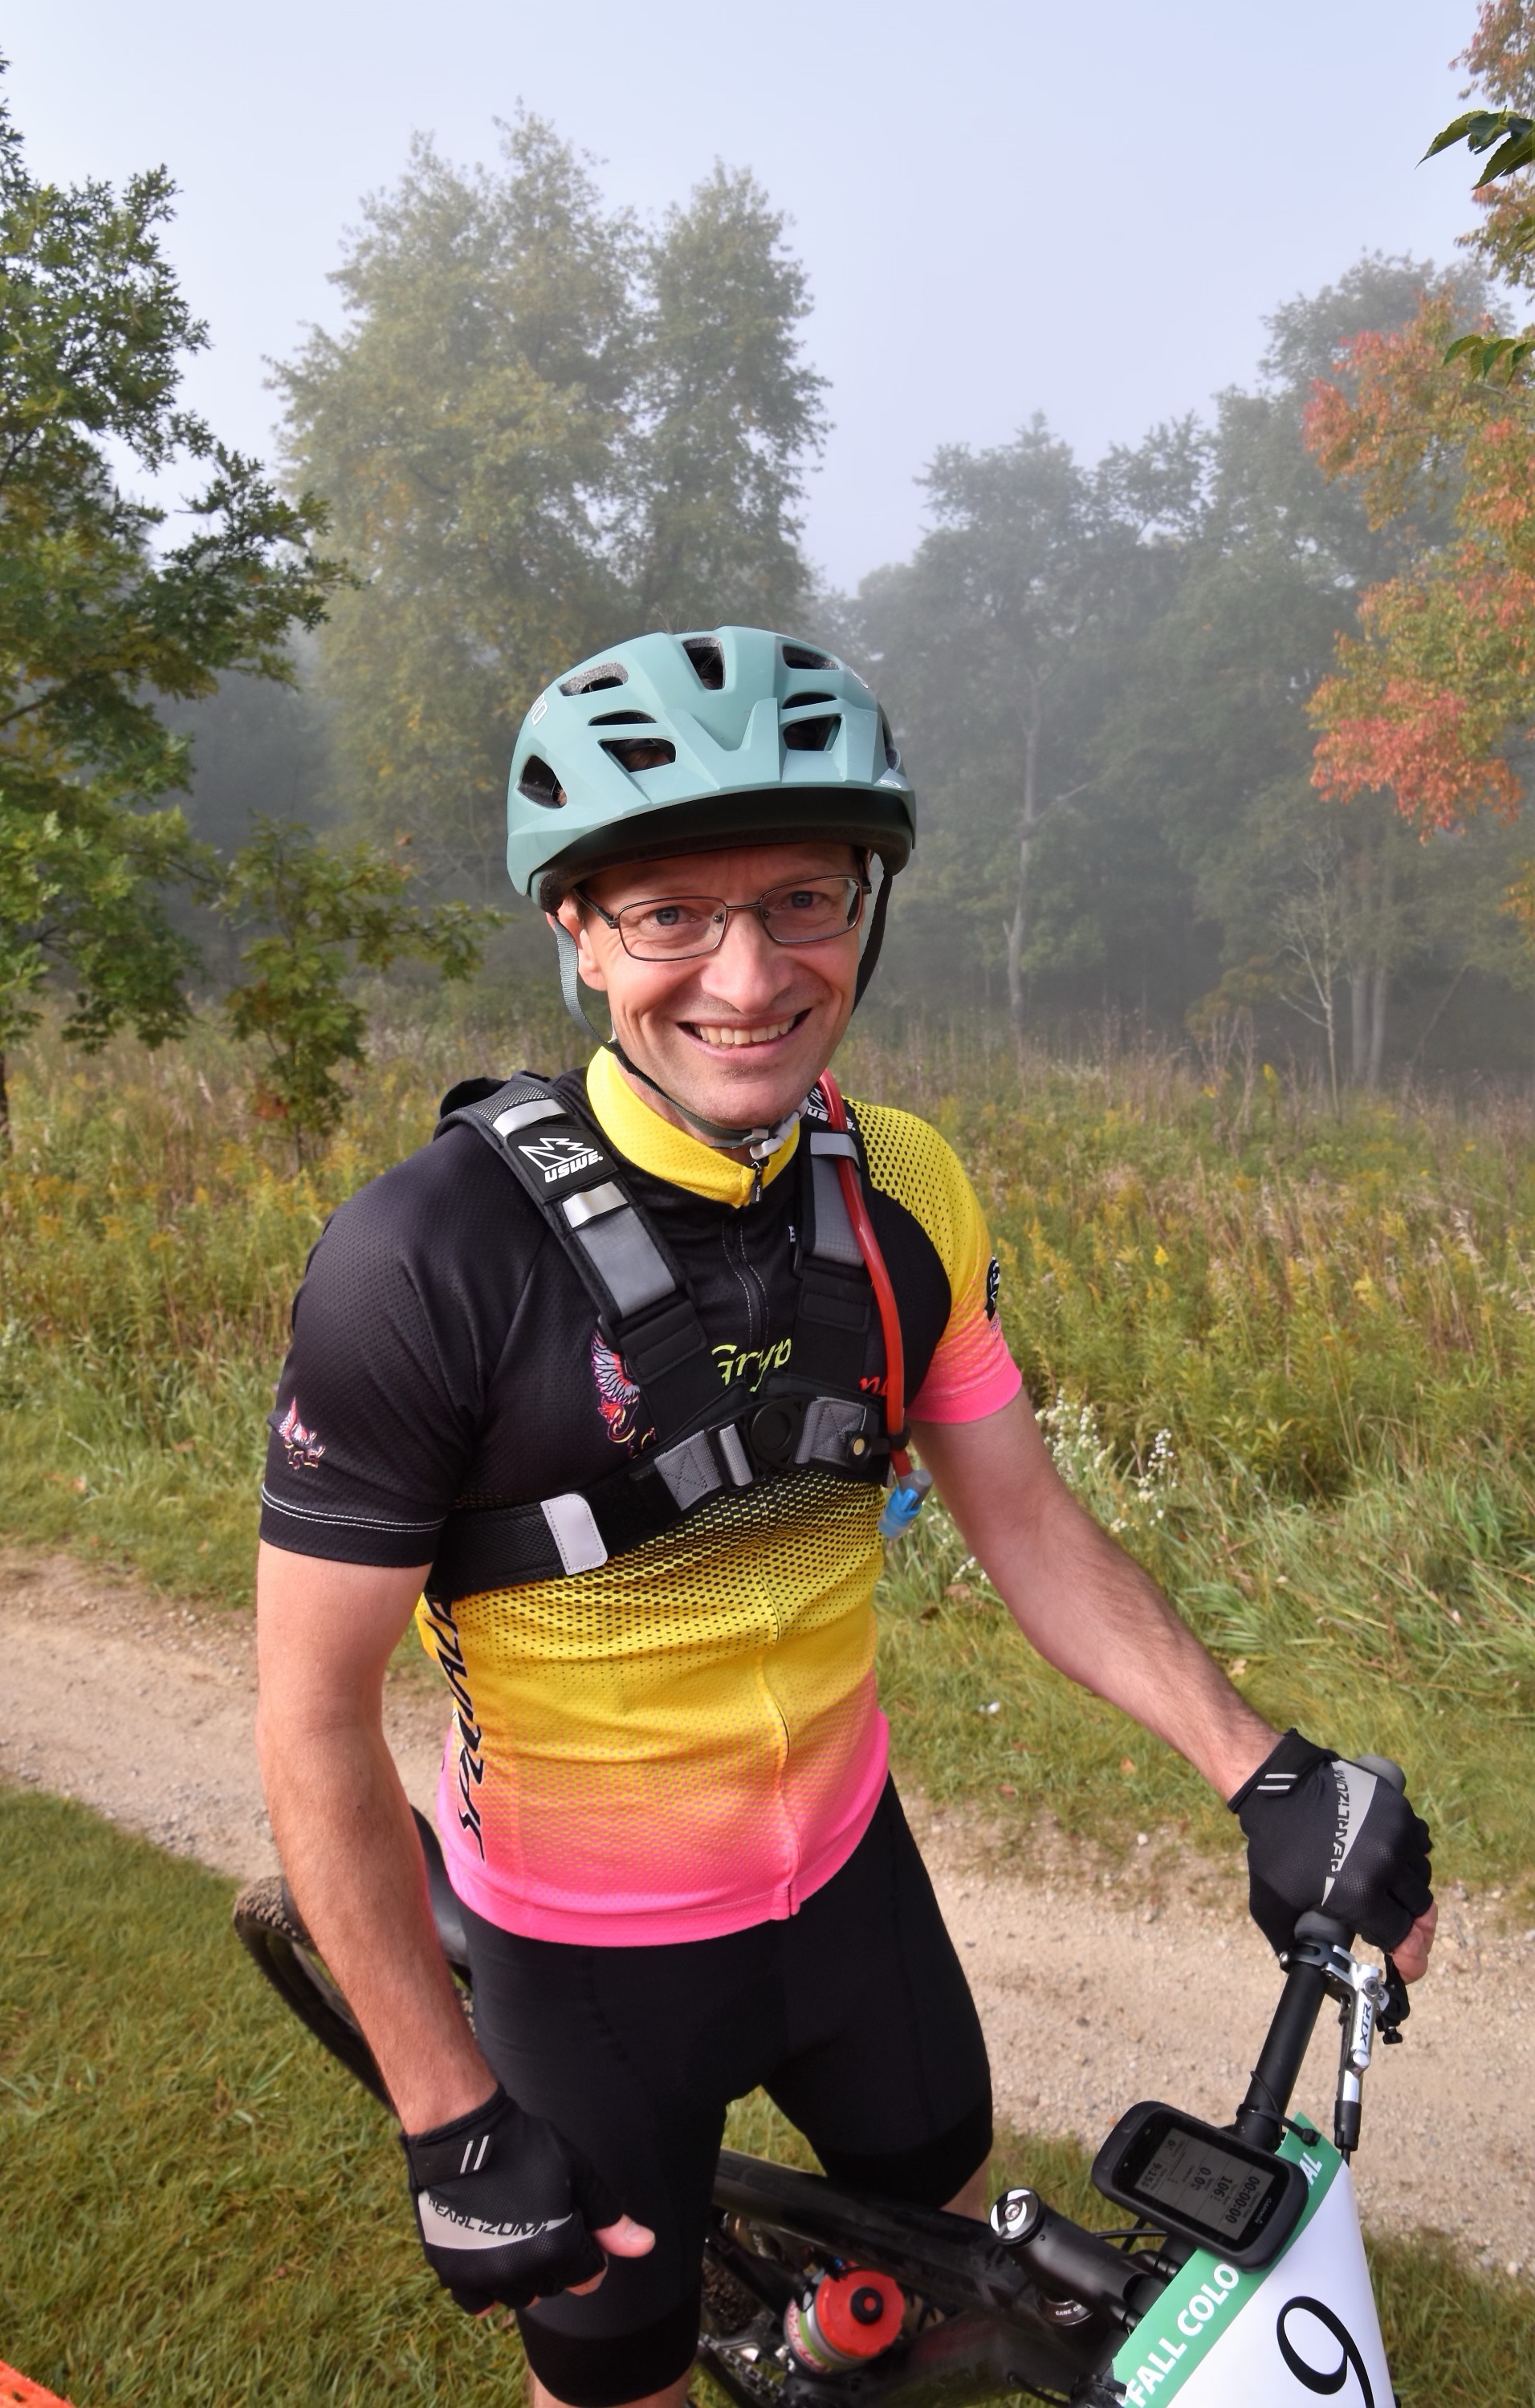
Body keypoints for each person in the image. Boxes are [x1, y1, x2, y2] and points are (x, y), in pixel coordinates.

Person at [253, 627, 1435, 2408]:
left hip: (849, 1891)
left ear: (863, 910)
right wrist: (449, 2114)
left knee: (941, 2273)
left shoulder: (906, 1188)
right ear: (578, 931)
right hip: (584, 1956)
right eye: (670, 914)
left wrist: (1262, 1768)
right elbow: (309, 1716)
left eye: (802, 900)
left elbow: (1026, 1522)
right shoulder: (423, 1260)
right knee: (613, 2373)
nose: (747, 976)